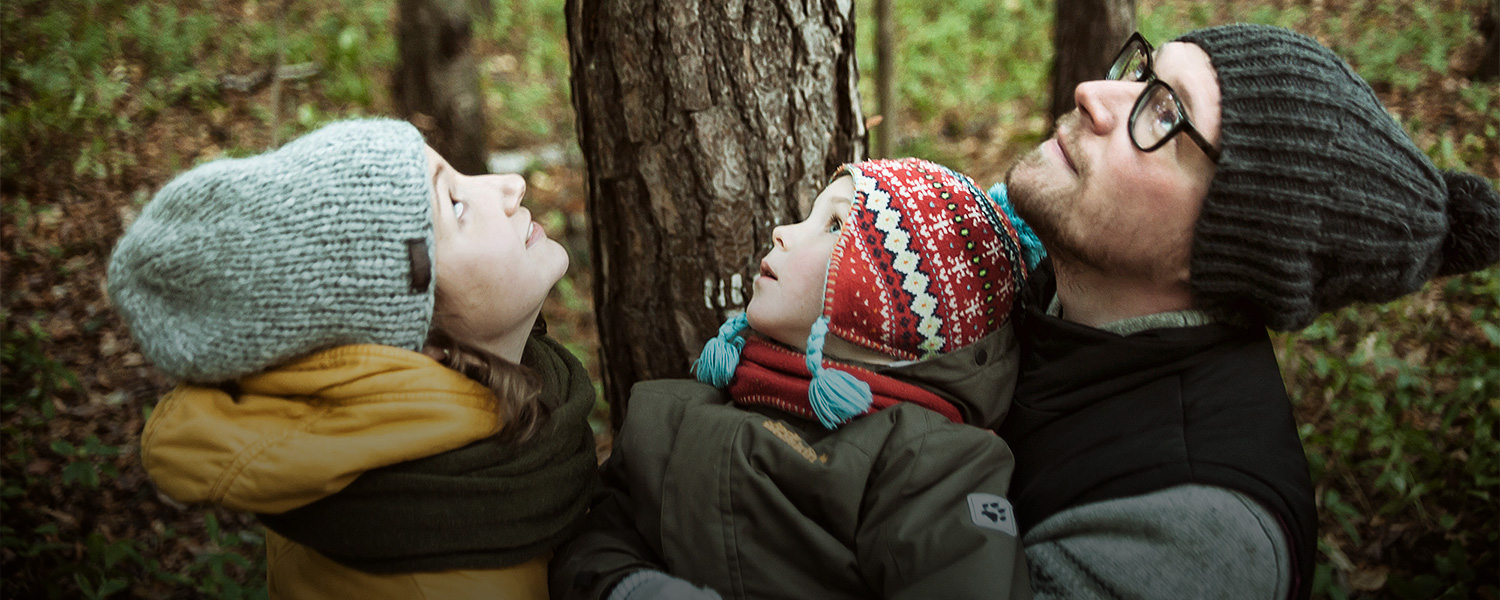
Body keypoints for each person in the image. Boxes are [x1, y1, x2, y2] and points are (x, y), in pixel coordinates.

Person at [998, 23, 1500, 600]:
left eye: (1164, 116)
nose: (1091, 92)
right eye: (1144, 74)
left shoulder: (1199, 536)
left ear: (1234, 241)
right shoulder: (1017, 274)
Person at [107, 119, 600, 599]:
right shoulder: (433, 581)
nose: (511, 186)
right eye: (454, 204)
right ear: (418, 342)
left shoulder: (380, 459)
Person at [549, 158, 1047, 600]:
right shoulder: (681, 408)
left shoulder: (929, 461)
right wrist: (634, 587)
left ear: (889, 309)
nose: (782, 231)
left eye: (833, 224)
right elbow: (594, 540)